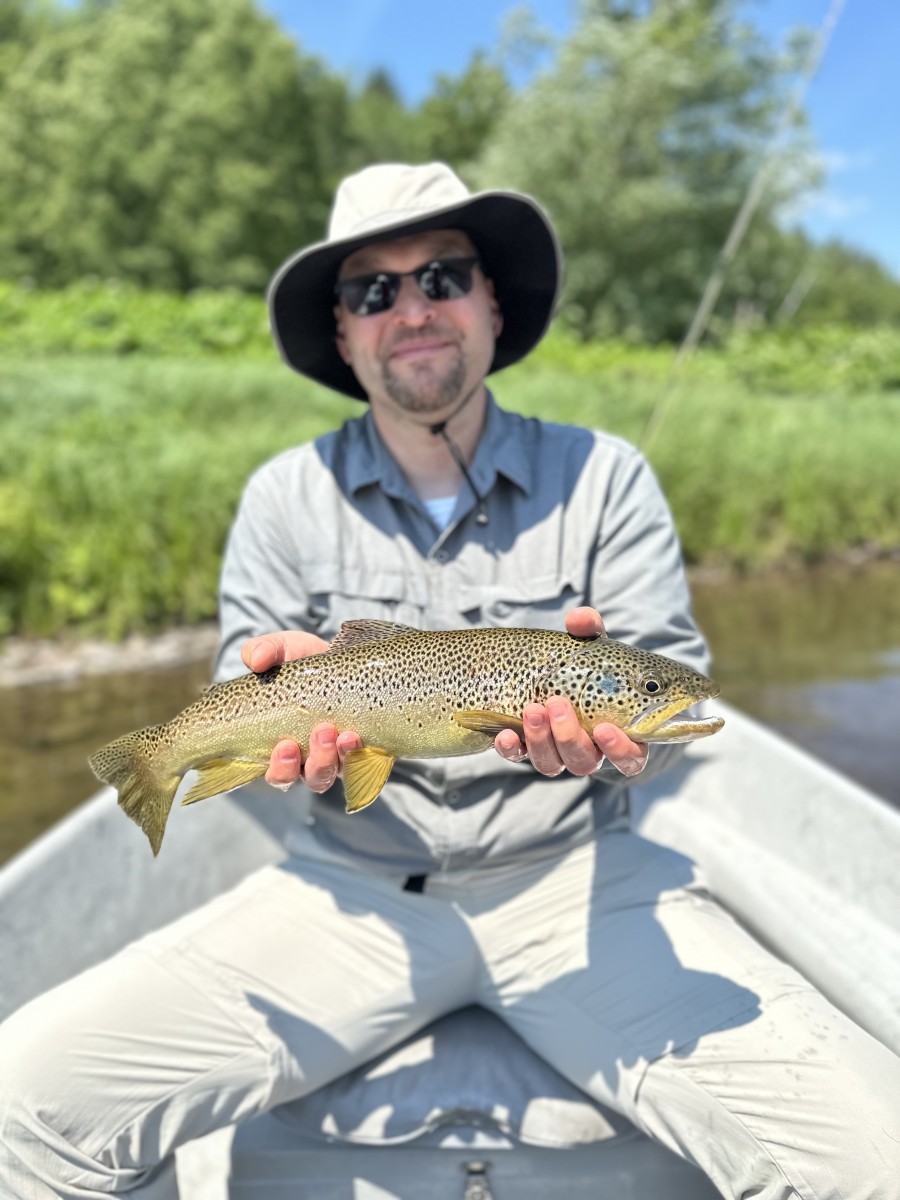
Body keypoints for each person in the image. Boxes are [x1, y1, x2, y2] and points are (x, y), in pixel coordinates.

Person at [0, 162, 897, 1200]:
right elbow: (239, 669)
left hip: (578, 888)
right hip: (349, 892)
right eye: (372, 290)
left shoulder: (605, 477)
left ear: (492, 300)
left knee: (881, 1158)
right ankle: (151, 776)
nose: (412, 307)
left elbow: (671, 691)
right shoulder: (285, 497)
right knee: (19, 1105)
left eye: (443, 274)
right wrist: (270, 721)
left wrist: (634, 738)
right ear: (341, 332)